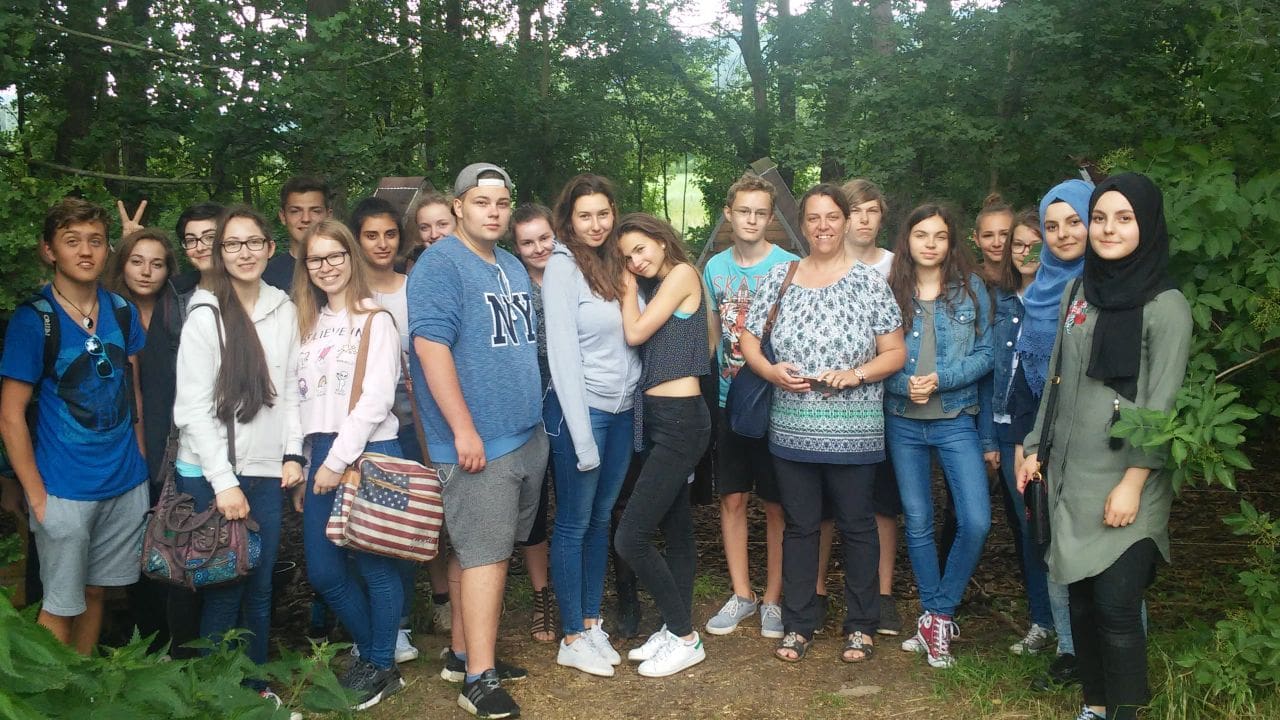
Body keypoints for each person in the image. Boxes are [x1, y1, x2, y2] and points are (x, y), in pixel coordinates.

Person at [1018, 173, 1191, 720]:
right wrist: (1033, 445)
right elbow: (1056, 378)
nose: (1108, 229)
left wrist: (1134, 482)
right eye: (1099, 218)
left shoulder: (1166, 305)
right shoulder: (1079, 292)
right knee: (1083, 603)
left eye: (1124, 218)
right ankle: (1094, 706)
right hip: (1072, 475)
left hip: (1127, 481)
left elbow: (1161, 406)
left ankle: (1126, 713)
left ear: (1148, 225)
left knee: (1116, 607)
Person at [739, 184, 906, 664]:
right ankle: (798, 624)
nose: (823, 226)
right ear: (802, 225)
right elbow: (749, 339)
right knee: (800, 527)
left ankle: (861, 625)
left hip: (854, 432)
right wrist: (770, 371)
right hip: (792, 430)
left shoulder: (870, 282)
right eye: (813, 218)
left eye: (832, 217)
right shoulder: (781, 276)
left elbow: (895, 352)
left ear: (846, 221)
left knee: (857, 526)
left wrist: (857, 374)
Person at [408, 163, 545, 719]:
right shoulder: (440, 264)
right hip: (477, 443)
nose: (494, 211)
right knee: (486, 556)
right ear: (459, 206)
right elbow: (430, 348)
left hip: (523, 435)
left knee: (481, 553)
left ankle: (463, 654)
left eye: (502, 203)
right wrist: (463, 428)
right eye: (482, 202)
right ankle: (479, 681)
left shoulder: (509, 264)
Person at [0, 199, 149, 655]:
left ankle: (83, 684)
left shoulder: (121, 310)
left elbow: (132, 388)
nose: (85, 251)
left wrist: (141, 458)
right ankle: (52, 688)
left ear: (107, 250)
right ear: (49, 250)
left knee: (96, 591)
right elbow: (10, 415)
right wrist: (36, 496)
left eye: (95, 241)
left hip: (123, 481)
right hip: (63, 488)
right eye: (72, 241)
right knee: (60, 604)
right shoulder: (35, 321)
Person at [172, 205, 304, 716]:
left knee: (261, 583)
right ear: (219, 253)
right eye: (232, 244)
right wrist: (224, 483)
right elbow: (192, 410)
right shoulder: (205, 314)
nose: (244, 253)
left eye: (253, 243)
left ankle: (254, 686)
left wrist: (292, 453)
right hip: (211, 473)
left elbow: (291, 390)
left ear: (270, 248)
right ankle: (216, 693)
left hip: (267, 470)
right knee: (225, 586)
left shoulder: (283, 308)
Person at [290, 218, 409, 709]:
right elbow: (299, 402)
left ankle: (378, 663)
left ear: (350, 257)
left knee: (376, 566)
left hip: (370, 452)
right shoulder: (307, 324)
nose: (327, 266)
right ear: (306, 267)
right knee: (324, 571)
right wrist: (305, 463)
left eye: (335, 255)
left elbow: (377, 399)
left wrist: (337, 460)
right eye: (315, 259)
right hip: (321, 455)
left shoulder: (375, 319)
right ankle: (376, 653)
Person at [884, 204, 994, 669]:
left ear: (951, 243)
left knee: (977, 520)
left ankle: (938, 613)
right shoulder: (889, 290)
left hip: (955, 418)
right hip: (903, 420)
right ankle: (935, 617)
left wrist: (942, 378)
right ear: (907, 240)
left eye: (940, 236)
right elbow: (870, 354)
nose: (930, 244)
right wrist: (900, 383)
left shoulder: (971, 290)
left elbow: (987, 353)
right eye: (921, 235)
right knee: (918, 521)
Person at [543, 174, 641, 678]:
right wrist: (582, 438)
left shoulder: (614, 262)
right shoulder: (562, 268)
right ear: (569, 220)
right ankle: (571, 636)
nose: (596, 224)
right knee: (574, 521)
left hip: (621, 412)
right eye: (585, 215)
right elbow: (561, 355)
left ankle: (590, 620)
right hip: (582, 413)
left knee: (601, 518)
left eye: (604, 213)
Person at [610, 213, 713, 677]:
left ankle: (686, 638)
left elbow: (634, 333)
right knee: (676, 528)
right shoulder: (658, 287)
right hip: (660, 420)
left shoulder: (682, 274)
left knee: (630, 537)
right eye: (627, 257)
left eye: (640, 249)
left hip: (680, 421)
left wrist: (626, 291)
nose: (635, 261)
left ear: (661, 240)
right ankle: (675, 629)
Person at [348, 196, 450, 655]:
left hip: (416, 425)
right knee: (366, 524)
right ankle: (381, 621)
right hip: (361, 429)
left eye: (390, 234)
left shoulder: (415, 286)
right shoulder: (348, 294)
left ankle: (408, 617)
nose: (382, 243)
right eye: (371, 235)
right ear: (356, 240)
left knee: (408, 519)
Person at [701, 172, 797, 639]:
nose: (752, 220)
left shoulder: (791, 267)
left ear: (771, 217)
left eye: (761, 212)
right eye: (744, 211)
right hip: (729, 399)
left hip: (778, 402)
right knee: (733, 497)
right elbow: (712, 334)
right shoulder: (714, 268)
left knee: (777, 504)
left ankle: (774, 599)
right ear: (729, 214)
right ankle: (743, 593)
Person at [1010, 179, 1094, 688]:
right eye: (1052, 225)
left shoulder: (1106, 286)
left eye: (1074, 222)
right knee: (1053, 546)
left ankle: (1112, 653)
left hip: (1095, 442)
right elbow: (1025, 374)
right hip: (1043, 444)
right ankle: (1068, 648)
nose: (1063, 234)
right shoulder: (1041, 289)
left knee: (1102, 551)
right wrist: (1026, 446)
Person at [981, 208, 1059, 657]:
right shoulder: (1002, 302)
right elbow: (994, 374)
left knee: (1062, 528)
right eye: (1019, 245)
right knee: (1032, 528)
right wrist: (991, 439)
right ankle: (1042, 621)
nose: (1026, 252)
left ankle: (1074, 625)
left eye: (1035, 245)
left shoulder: (1063, 298)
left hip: (1053, 428)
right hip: (1010, 430)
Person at [103, 227, 183, 652]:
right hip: (126, 444)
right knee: (138, 543)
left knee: (178, 539)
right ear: (122, 265)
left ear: (169, 269)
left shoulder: (181, 311)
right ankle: (147, 643)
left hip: (178, 441)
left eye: (157, 263)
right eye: (136, 261)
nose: (146, 271)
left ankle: (183, 642)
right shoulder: (106, 313)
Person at [841, 177, 905, 636]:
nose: (863, 220)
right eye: (855, 211)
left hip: (888, 399)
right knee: (827, 505)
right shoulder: (823, 264)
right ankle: (819, 592)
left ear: (882, 216)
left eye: (872, 211)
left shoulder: (896, 266)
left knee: (882, 501)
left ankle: (882, 595)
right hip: (833, 404)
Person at [510, 203, 557, 644]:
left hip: (577, 397)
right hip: (530, 399)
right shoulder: (513, 283)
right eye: (528, 242)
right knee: (536, 501)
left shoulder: (574, 273)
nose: (538, 248)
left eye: (545, 238)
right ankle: (542, 595)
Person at [264, 176, 332, 290]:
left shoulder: (346, 269)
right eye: (295, 211)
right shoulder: (267, 276)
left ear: (328, 216)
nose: (306, 219)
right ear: (283, 216)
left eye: (315, 211)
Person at [172, 202, 224, 312]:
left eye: (210, 237)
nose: (200, 248)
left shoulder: (254, 287)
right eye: (191, 240)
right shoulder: (173, 293)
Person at [973, 193, 1013, 285]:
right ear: (976, 239)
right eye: (988, 235)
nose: (996, 243)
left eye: (1004, 234)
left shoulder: (1032, 279)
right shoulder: (966, 283)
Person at [409, 191, 456, 257]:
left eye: (442, 224)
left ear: (457, 223)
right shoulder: (414, 261)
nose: (434, 235)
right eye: (424, 228)